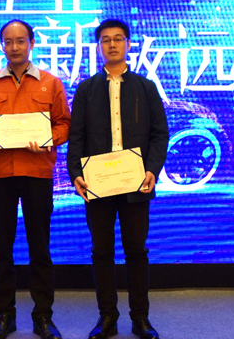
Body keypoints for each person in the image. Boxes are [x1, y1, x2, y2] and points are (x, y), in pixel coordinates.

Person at [67, 19, 168, 339]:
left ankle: (141, 318)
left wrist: (152, 169)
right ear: (98, 47)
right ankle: (107, 317)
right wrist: (76, 174)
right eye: (106, 40)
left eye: (118, 39)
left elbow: (159, 134)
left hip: (136, 182)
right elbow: (76, 137)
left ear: (128, 44)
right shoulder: (86, 89)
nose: (112, 44)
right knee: (101, 251)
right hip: (97, 183)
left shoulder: (145, 87)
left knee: (136, 251)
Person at [0, 19, 71, 339]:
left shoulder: (51, 83)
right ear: (2, 45)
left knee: (40, 248)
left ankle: (43, 317)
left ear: (31, 43)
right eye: (8, 42)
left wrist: (48, 139)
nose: (14, 47)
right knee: (2, 248)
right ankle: (4, 316)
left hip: (37, 172)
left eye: (20, 41)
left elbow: (64, 124)